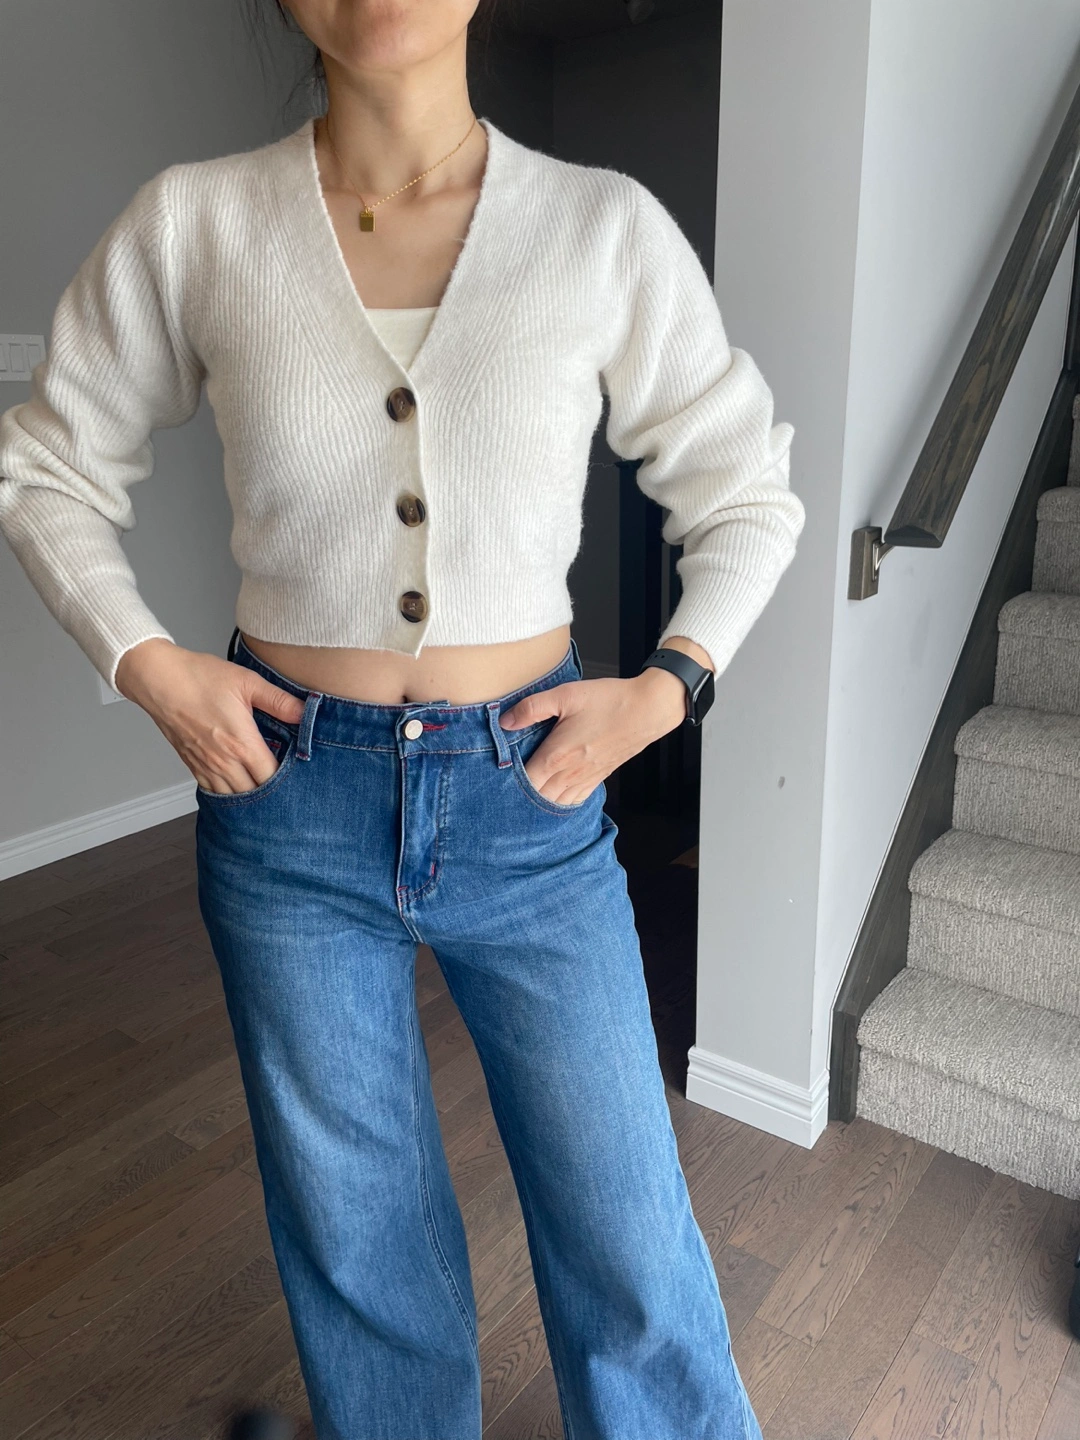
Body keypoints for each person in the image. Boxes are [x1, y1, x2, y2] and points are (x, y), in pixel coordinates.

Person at [0, 2, 806, 1436]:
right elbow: (47, 467)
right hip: (286, 806)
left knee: (625, 1224)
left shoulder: (600, 230)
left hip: (531, 796)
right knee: (356, 1234)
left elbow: (746, 492)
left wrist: (668, 687)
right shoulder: (196, 226)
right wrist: (144, 662)